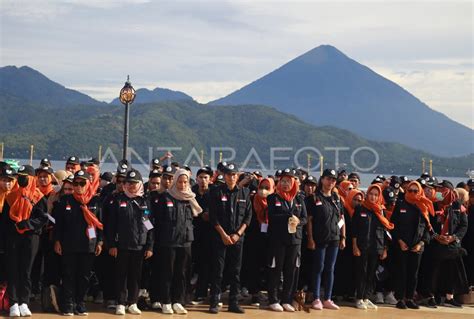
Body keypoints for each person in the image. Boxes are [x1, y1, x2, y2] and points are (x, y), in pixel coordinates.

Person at [53, 170, 103, 315]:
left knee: (84, 276)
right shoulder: (65, 201)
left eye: (82, 183)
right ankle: (68, 304)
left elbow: (101, 224)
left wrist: (100, 242)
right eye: (76, 183)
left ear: (88, 184)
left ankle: (80, 303)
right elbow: (58, 225)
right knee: (68, 275)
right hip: (69, 245)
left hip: (88, 246)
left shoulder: (95, 201)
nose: (79, 186)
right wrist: (57, 241)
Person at [2, 165, 48, 317]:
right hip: (13, 237)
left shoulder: (38, 197)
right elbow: (4, 221)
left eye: (24, 176)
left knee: (26, 270)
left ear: (31, 178)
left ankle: (24, 302)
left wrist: (27, 224)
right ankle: (14, 302)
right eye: (19, 176)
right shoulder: (11, 196)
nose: (21, 179)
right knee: (13, 269)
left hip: (31, 237)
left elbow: (42, 218)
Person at [154, 168, 202, 314]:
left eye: (185, 182)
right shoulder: (166, 197)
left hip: (186, 241)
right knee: (167, 272)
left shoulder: (189, 199)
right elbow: (158, 221)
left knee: (182, 273)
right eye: (180, 181)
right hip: (168, 241)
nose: (182, 185)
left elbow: (194, 218)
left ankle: (178, 300)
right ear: (175, 181)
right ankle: (166, 301)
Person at [107, 169, 154, 315]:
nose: (132, 186)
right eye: (129, 183)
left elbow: (149, 225)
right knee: (121, 275)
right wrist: (112, 245)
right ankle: (120, 302)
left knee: (135, 275)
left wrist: (149, 245)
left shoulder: (144, 202)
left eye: (134, 183)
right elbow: (111, 225)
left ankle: (132, 302)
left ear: (140, 184)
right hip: (122, 245)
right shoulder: (119, 200)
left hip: (139, 245)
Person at [208, 163, 252, 314]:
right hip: (220, 237)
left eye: (234, 175)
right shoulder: (216, 192)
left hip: (237, 238)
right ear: (224, 176)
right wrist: (224, 235)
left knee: (235, 271)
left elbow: (248, 217)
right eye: (228, 175)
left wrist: (238, 234)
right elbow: (213, 218)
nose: (231, 177)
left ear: (237, 176)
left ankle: (233, 302)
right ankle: (214, 301)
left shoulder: (244, 193)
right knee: (218, 271)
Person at [267, 168, 307, 312]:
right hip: (278, 239)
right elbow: (271, 217)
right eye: (283, 181)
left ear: (293, 183)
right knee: (276, 270)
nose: (285, 184)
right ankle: (273, 299)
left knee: (291, 271)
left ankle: (286, 300)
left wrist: (298, 221)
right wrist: (287, 217)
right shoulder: (273, 198)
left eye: (288, 181)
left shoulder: (299, 199)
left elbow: (304, 219)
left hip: (295, 240)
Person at [306, 169, 345, 310]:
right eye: (328, 179)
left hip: (334, 239)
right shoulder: (314, 198)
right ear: (322, 180)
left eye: (333, 180)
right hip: (319, 238)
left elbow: (342, 218)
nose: (331, 182)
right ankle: (316, 298)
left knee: (330, 269)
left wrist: (343, 237)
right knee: (318, 268)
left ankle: (327, 298)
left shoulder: (337, 198)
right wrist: (310, 238)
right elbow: (309, 220)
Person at [391, 181, 433, 309]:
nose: (413, 193)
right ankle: (400, 299)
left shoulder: (424, 207)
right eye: (410, 191)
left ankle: (409, 298)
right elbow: (393, 226)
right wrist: (399, 241)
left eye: (416, 191)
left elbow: (427, 229)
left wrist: (421, 243)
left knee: (413, 274)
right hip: (402, 245)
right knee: (401, 272)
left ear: (420, 191)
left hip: (417, 247)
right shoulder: (400, 205)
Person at [351, 184, 391, 310]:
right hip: (362, 246)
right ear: (367, 194)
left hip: (376, 246)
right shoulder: (360, 208)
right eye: (371, 194)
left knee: (371, 273)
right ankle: (359, 298)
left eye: (376, 194)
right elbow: (354, 229)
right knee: (361, 272)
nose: (373, 197)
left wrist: (385, 248)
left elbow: (385, 231)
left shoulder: (381, 210)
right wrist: (355, 246)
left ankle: (366, 298)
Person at [430, 182, 468, 307]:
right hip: (436, 243)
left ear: (450, 191)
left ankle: (449, 297)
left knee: (451, 272)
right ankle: (433, 296)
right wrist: (436, 236)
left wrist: (453, 237)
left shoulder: (458, 206)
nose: (440, 192)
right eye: (439, 189)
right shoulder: (434, 204)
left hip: (452, 245)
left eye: (443, 189)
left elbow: (463, 225)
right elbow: (427, 223)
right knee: (434, 271)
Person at [191, 167, 213, 304]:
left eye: (206, 177)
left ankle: (201, 293)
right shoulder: (191, 193)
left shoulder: (214, 193)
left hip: (208, 234)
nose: (203, 180)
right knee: (191, 263)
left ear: (210, 179)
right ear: (197, 178)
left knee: (205, 264)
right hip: (192, 232)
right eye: (201, 177)